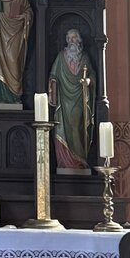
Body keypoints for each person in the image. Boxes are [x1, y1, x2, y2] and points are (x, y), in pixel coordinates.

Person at [48, 28, 94, 170]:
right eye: (68, 38)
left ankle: (80, 159)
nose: (71, 41)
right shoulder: (61, 57)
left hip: (79, 98)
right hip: (63, 100)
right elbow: (53, 75)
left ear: (79, 40)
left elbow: (92, 75)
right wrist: (53, 86)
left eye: (73, 38)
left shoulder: (85, 57)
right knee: (62, 128)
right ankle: (66, 161)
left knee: (76, 126)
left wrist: (88, 81)